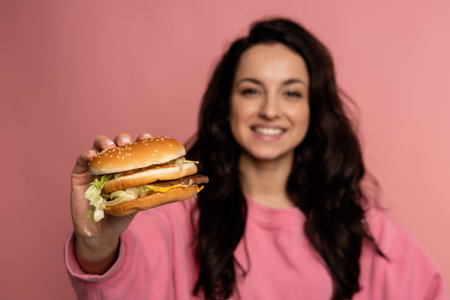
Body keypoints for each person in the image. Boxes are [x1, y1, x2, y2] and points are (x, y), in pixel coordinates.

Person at [65, 18, 448, 300]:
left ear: (314, 108)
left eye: (291, 94)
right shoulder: (174, 213)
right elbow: (117, 285)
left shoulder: (358, 223)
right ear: (226, 105)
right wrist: (97, 244)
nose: (269, 110)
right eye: (251, 90)